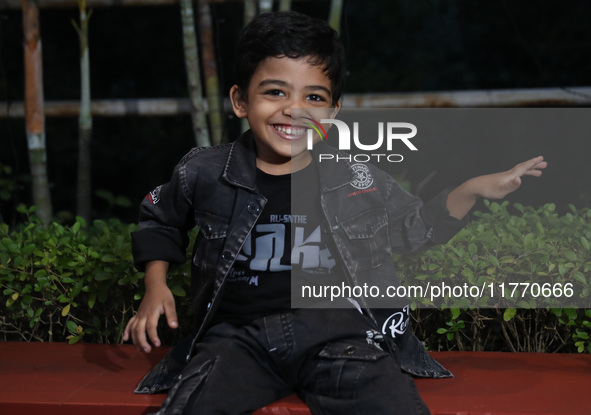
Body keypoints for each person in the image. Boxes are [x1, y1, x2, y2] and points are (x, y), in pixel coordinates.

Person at [123, 11, 547, 415]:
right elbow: (161, 220)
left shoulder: (358, 178)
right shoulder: (205, 170)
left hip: (339, 339)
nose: (294, 110)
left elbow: (416, 228)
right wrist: (155, 286)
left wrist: (472, 189)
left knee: (390, 403)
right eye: (275, 92)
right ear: (239, 100)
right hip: (237, 341)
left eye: (314, 97)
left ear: (333, 111)